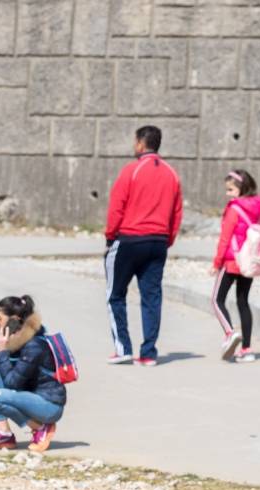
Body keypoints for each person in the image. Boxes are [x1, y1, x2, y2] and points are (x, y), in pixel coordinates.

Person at [104, 125, 183, 367]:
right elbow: (177, 212)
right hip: (158, 241)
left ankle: (123, 348)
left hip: (129, 239)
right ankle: (148, 352)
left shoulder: (131, 170)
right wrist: (167, 239)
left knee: (115, 295)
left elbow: (117, 206)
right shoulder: (171, 173)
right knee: (152, 297)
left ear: (140, 143)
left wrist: (110, 237)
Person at [0, 294, 66, 453]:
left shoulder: (33, 345)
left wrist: (2, 352)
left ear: (14, 320)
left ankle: (40, 427)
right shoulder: (21, 339)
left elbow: (13, 383)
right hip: (30, 394)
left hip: (47, 404)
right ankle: (4, 434)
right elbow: (18, 369)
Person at [211, 168, 260, 364]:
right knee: (243, 302)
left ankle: (229, 333)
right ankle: (247, 350)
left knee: (216, 300)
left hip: (232, 261)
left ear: (241, 189)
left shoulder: (233, 209)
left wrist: (216, 263)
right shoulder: (259, 207)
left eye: (231, 190)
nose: (228, 194)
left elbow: (225, 238)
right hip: (249, 262)